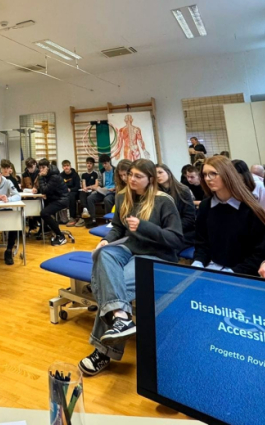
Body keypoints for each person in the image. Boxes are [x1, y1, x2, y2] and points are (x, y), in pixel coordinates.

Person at [79, 159, 184, 377]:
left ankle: (103, 352)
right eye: (130, 175)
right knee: (104, 255)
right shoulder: (122, 197)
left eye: (138, 176)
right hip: (131, 248)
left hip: (157, 255)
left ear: (150, 179)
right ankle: (122, 318)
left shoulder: (164, 201)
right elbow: (118, 228)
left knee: (113, 289)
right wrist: (106, 241)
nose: (132, 179)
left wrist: (145, 226)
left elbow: (175, 240)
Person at [192, 155, 265, 274]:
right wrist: (198, 262)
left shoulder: (251, 210)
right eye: (205, 174)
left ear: (227, 175)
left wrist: (232, 272)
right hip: (212, 268)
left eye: (213, 174)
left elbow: (261, 254)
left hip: (241, 273)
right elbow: (201, 243)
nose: (208, 179)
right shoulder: (205, 206)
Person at [0, 164, 23, 265]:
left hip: (6, 209)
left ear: (0, 174)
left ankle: (9, 250)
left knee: (14, 224)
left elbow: (18, 196)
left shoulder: (8, 182)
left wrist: (8, 199)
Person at [156, 163, 196, 247]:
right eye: (155, 173)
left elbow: (189, 217)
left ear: (168, 173)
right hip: (164, 232)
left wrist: (172, 229)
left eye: (160, 172)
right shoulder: (156, 193)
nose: (157, 175)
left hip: (183, 232)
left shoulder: (183, 190)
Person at [36, 158, 69, 246]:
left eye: (43, 167)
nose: (41, 170)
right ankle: (49, 229)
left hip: (61, 200)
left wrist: (40, 178)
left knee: (44, 213)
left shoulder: (54, 176)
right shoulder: (49, 175)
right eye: (40, 168)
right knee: (40, 210)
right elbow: (45, 189)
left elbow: (45, 189)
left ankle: (60, 236)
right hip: (55, 199)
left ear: (48, 167)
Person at [86, 154, 115, 224]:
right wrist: (96, 187)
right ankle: (93, 219)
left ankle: (109, 220)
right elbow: (100, 183)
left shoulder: (116, 170)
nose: (104, 165)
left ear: (109, 162)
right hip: (103, 191)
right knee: (90, 198)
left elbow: (119, 184)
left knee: (107, 200)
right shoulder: (101, 172)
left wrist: (114, 188)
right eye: (103, 164)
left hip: (112, 192)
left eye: (105, 163)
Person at [60, 160, 81, 227]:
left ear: (70, 166)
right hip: (64, 192)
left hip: (74, 192)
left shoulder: (75, 175)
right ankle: (62, 218)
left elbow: (78, 187)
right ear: (62, 167)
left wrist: (70, 189)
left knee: (71, 197)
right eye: (64, 166)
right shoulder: (61, 175)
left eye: (67, 166)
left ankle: (72, 217)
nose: (66, 167)